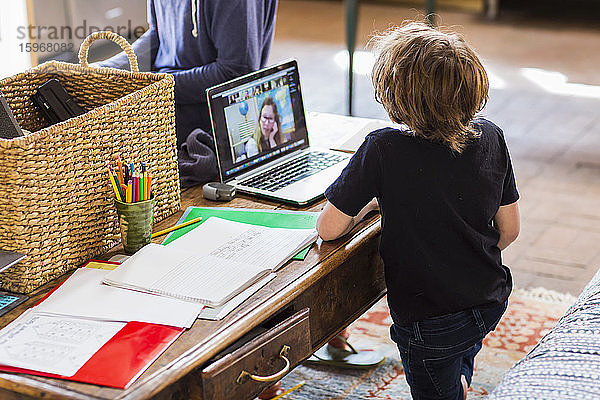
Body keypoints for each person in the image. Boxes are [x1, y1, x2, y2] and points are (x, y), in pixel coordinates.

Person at [316, 22, 520, 400]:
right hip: (490, 297)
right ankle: (457, 375)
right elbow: (509, 230)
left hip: (429, 323)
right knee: (459, 350)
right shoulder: (491, 135)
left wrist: (368, 207)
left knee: (435, 381)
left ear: (395, 96)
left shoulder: (382, 149)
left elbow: (329, 229)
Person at [99, 0, 278, 185]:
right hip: (164, 96)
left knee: (105, 152)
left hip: (209, 117)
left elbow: (233, 74)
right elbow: (158, 35)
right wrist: (103, 70)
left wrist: (153, 85)